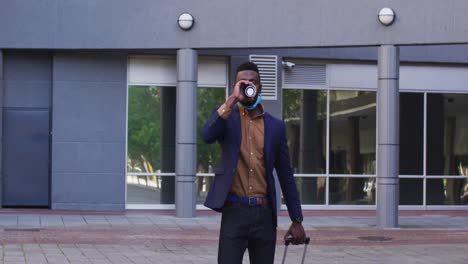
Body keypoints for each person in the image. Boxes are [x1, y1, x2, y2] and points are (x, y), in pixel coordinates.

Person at [201, 61, 306, 264]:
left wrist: (297, 219)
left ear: (260, 87)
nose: (248, 85)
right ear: (235, 85)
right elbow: (207, 135)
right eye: (243, 81)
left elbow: (286, 175)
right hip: (234, 212)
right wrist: (232, 100)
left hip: (264, 215)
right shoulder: (226, 116)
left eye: (253, 82)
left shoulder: (276, 127)